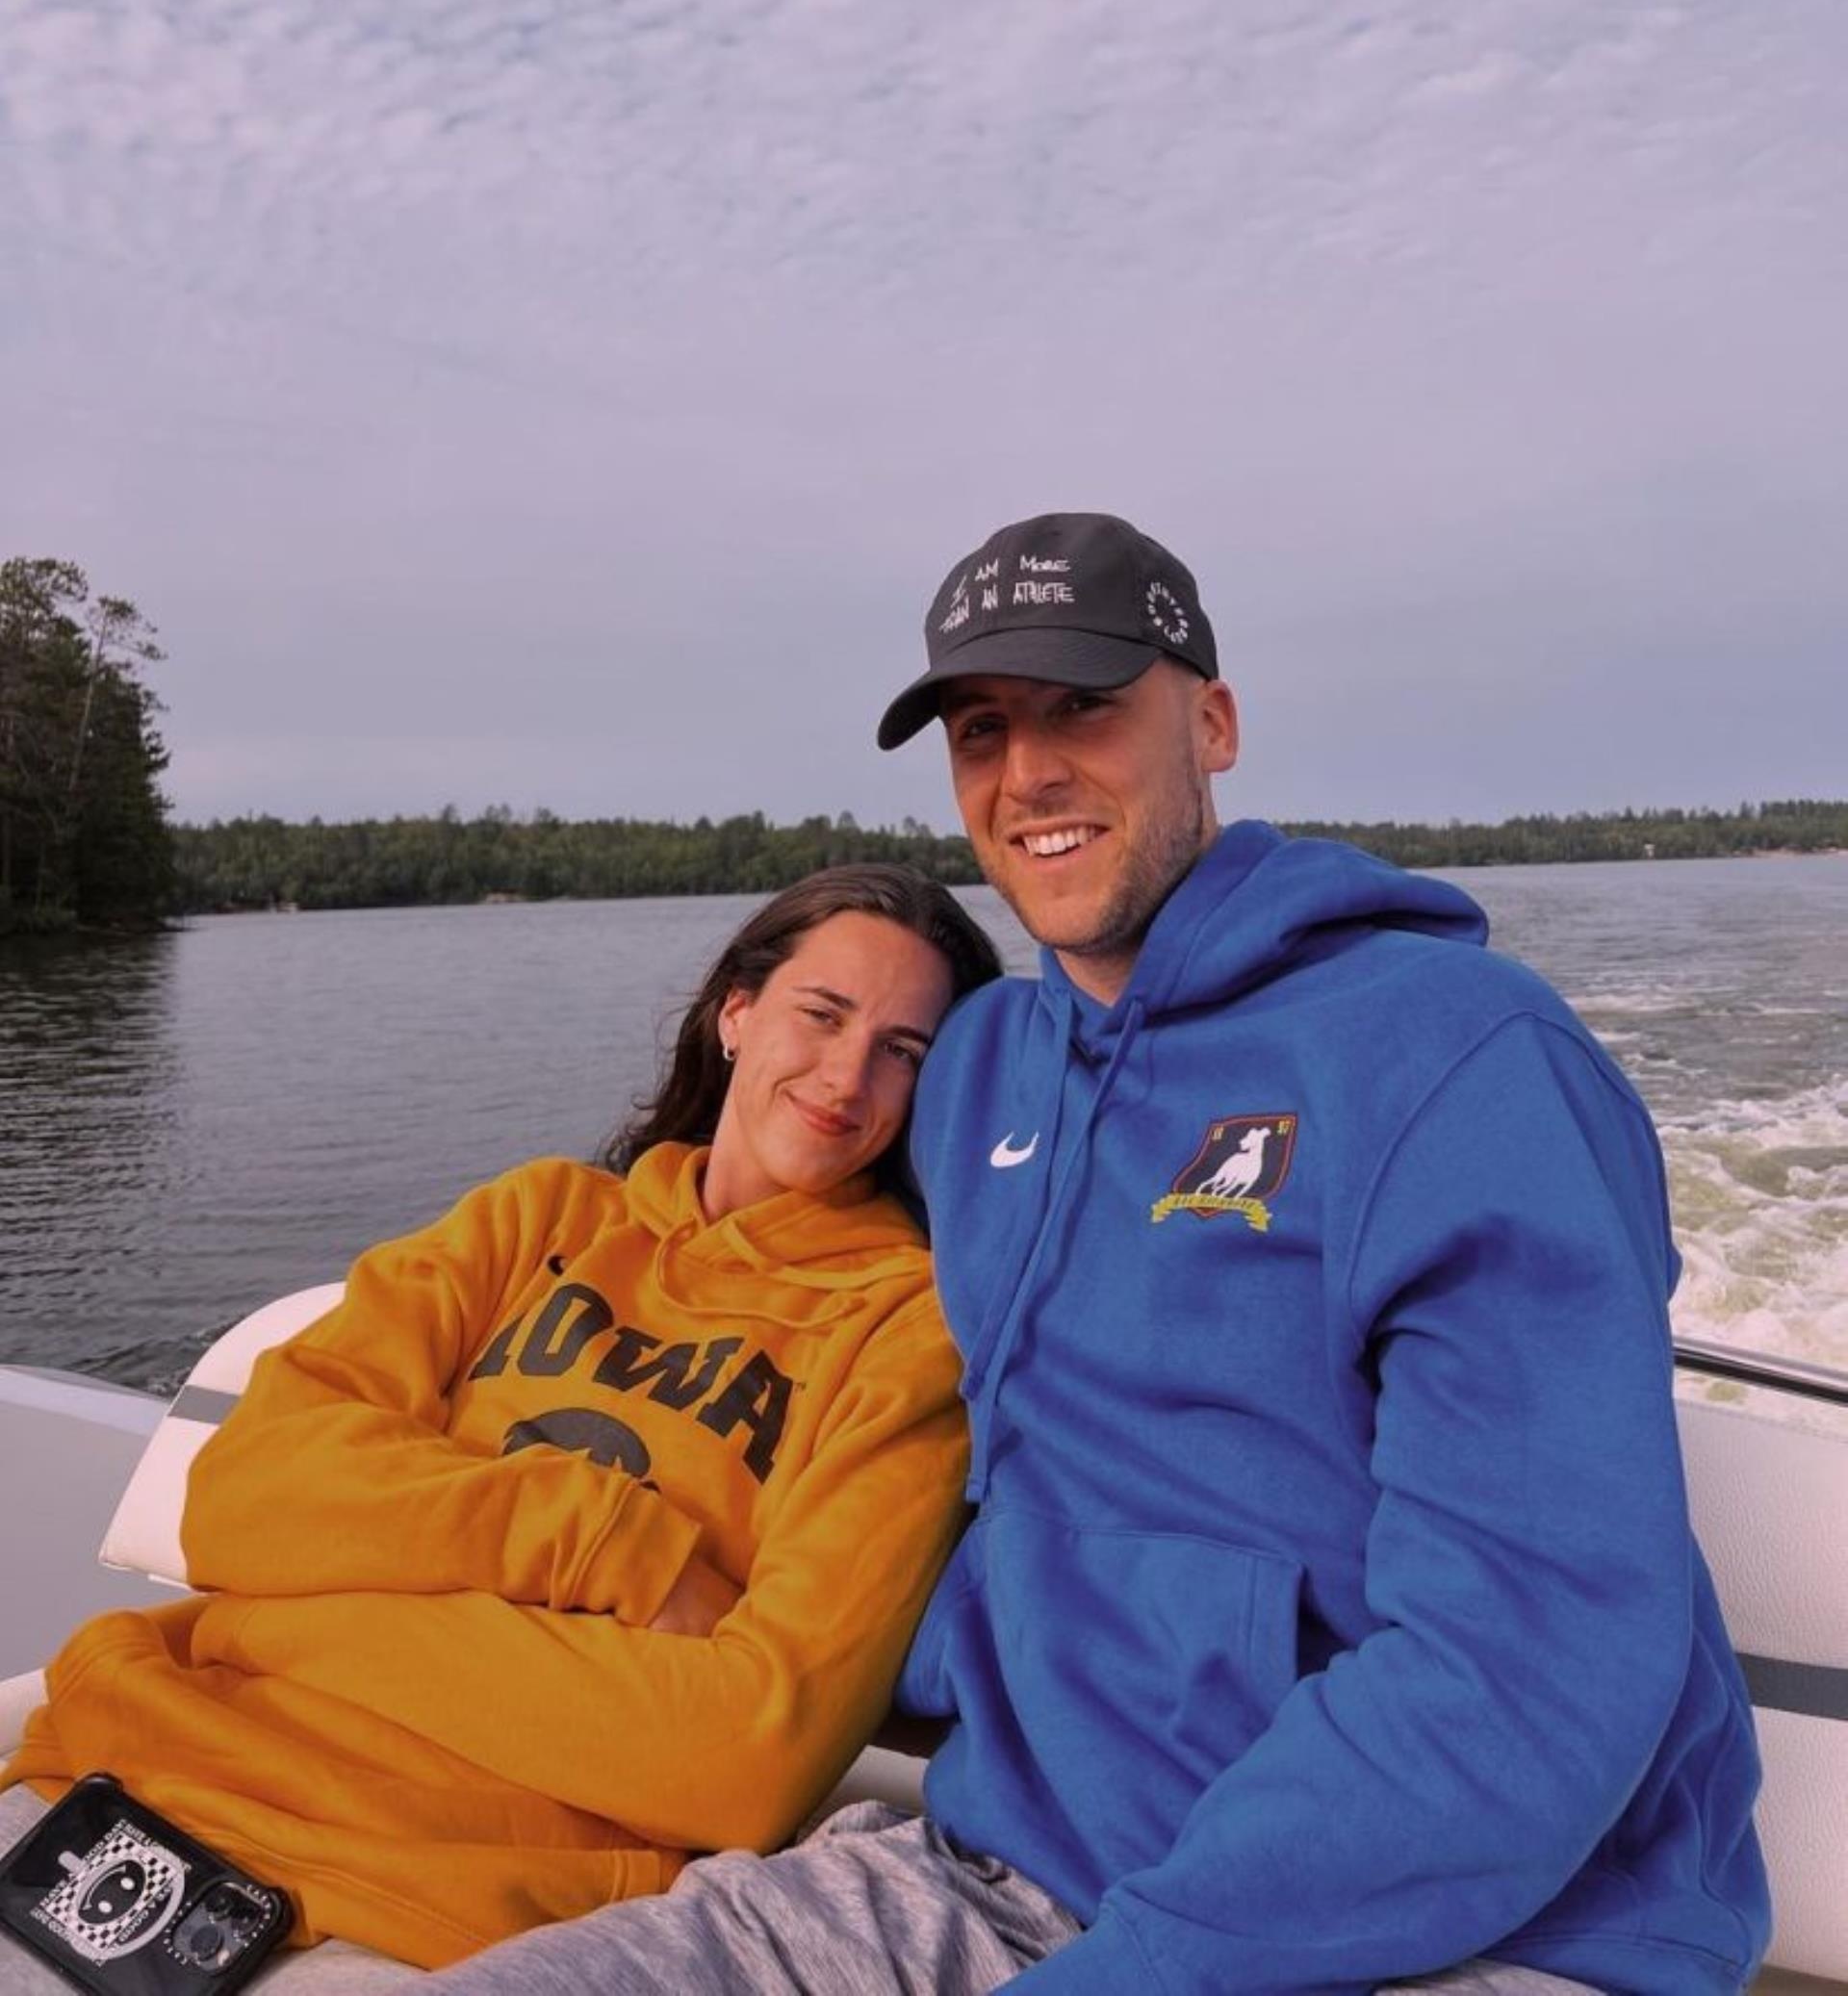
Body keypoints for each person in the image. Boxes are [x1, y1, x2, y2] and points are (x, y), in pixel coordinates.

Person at [419, 512, 1770, 1996]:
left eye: (1084, 707)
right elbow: (797, 1259)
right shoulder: (985, 1066)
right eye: (982, 730)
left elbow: (1526, 1667)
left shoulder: (1457, 1060)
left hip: (1470, 1927)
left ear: (1214, 720)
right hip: (1001, 1869)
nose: (1028, 774)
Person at [0, 864, 1002, 1985]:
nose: (848, 1074)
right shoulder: (538, 1218)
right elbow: (239, 1489)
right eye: (823, 1014)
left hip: (448, 1911)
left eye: (904, 1051)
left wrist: (295, 1606)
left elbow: (745, 1757)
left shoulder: (904, 1333)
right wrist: (612, 1546)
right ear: (736, 1012)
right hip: (131, 1764)